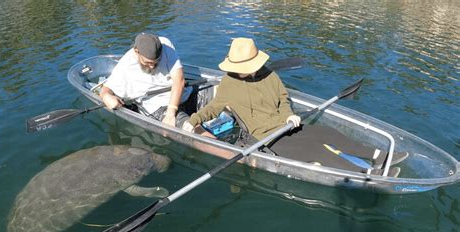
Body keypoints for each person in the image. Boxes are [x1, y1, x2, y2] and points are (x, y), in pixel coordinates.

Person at [182, 37, 408, 176]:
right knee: (315, 151)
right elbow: (214, 108)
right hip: (265, 138)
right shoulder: (229, 83)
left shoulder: (268, 74)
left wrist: (289, 116)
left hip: (286, 125)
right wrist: (193, 122)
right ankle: (368, 174)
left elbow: (282, 97)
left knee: (325, 133)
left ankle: (378, 155)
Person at [100, 33, 192, 128]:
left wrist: (171, 112)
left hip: (181, 94)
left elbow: (179, 81)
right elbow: (105, 89)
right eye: (148, 62)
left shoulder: (165, 45)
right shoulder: (125, 65)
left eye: (157, 61)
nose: (152, 66)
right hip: (158, 106)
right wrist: (106, 96)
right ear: (136, 51)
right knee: (191, 127)